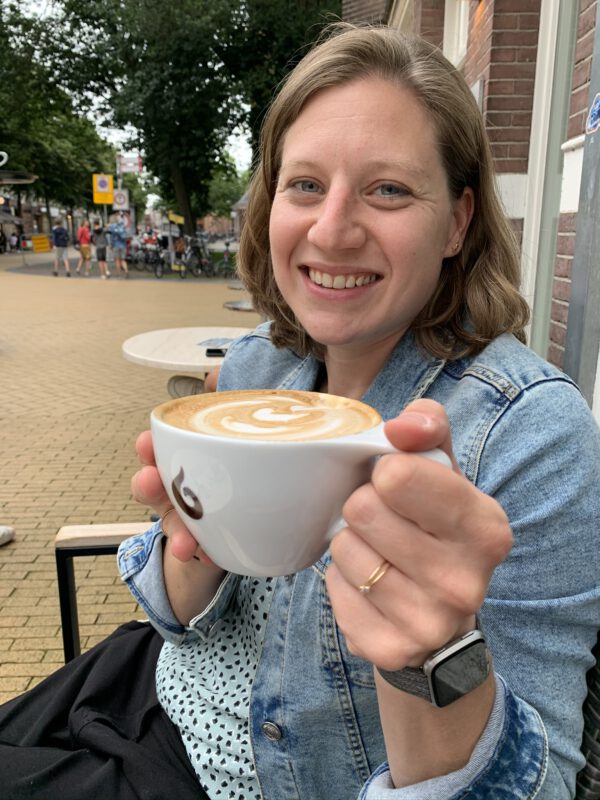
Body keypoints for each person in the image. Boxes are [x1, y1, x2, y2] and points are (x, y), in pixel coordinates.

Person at [1, 23, 599, 800]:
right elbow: (177, 620)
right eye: (305, 185)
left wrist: (429, 661)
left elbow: (545, 783)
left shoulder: (529, 436)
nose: (331, 229)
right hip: (144, 699)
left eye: (387, 189)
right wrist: (194, 543)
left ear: (456, 221)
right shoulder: (257, 365)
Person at [109, 213, 129, 278]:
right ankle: (126, 271)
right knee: (123, 260)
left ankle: (119, 274)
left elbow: (111, 238)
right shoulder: (121, 225)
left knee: (117, 260)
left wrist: (111, 245)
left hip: (116, 245)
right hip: (123, 245)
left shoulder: (112, 227)